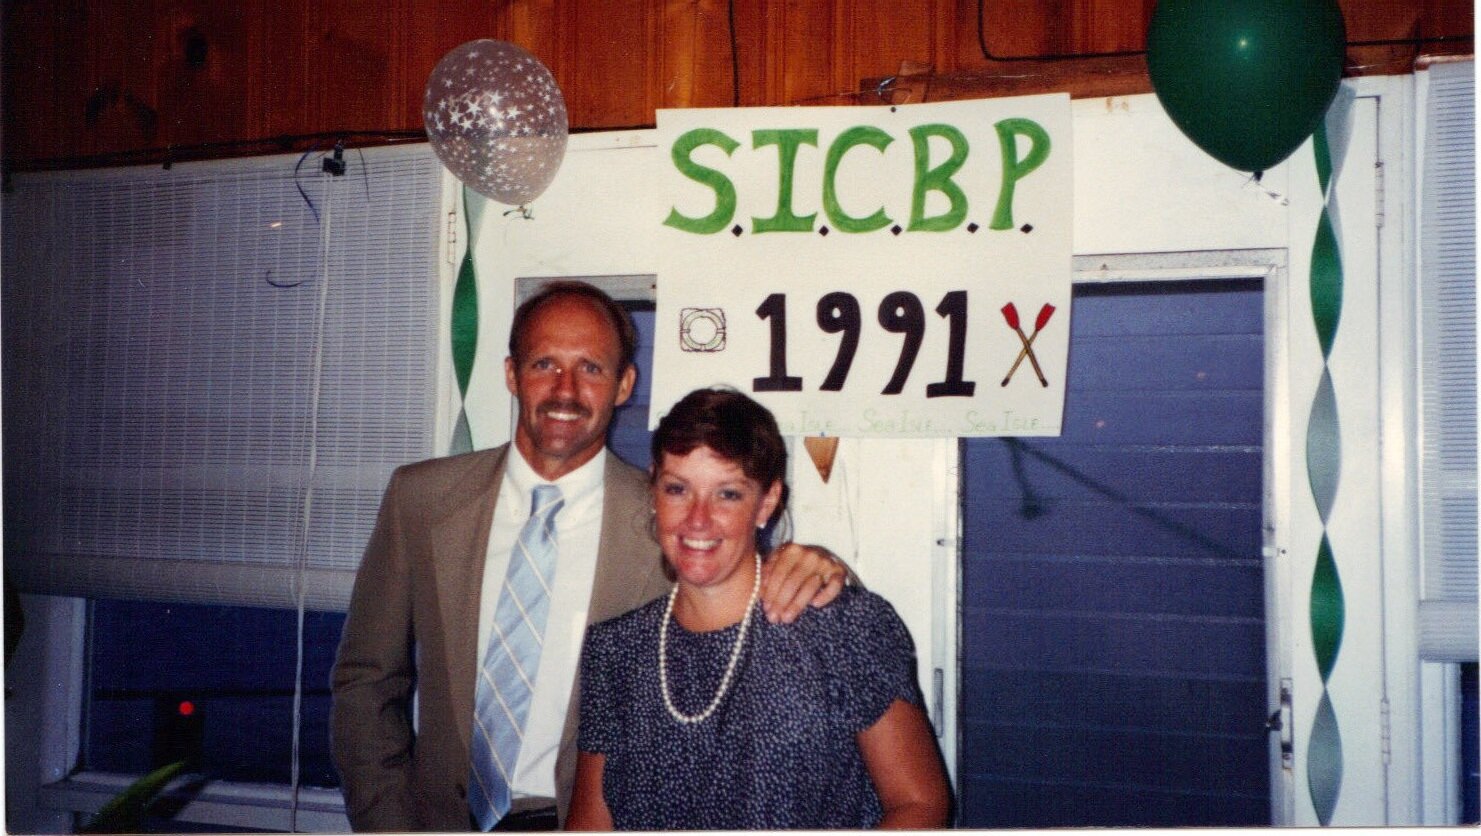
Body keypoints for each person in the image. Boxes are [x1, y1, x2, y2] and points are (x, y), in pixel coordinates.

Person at [330, 282, 848, 832]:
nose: (565, 391)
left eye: (591, 369)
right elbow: (367, 679)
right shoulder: (422, 499)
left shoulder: (669, 521)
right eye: (544, 364)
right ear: (511, 375)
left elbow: (758, 598)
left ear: (625, 384)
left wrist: (817, 565)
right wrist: (386, 823)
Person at [566, 387, 950, 830]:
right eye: (677, 489)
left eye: (727, 494)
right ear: (653, 491)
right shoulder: (617, 650)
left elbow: (919, 806)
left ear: (766, 502)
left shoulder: (844, 628)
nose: (697, 519)